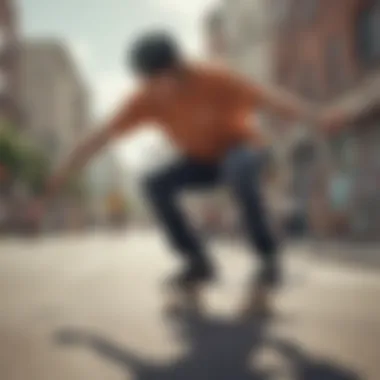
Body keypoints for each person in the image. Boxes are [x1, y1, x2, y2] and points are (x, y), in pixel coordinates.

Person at [33, 31, 345, 316]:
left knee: (238, 166)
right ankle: (198, 262)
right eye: (149, 82)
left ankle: (267, 261)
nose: (157, 90)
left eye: (162, 80)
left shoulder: (215, 78)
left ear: (178, 68)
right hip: (199, 162)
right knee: (153, 181)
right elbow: (99, 137)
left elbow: (269, 99)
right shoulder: (144, 99)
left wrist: (315, 117)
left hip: (244, 150)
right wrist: (63, 170)